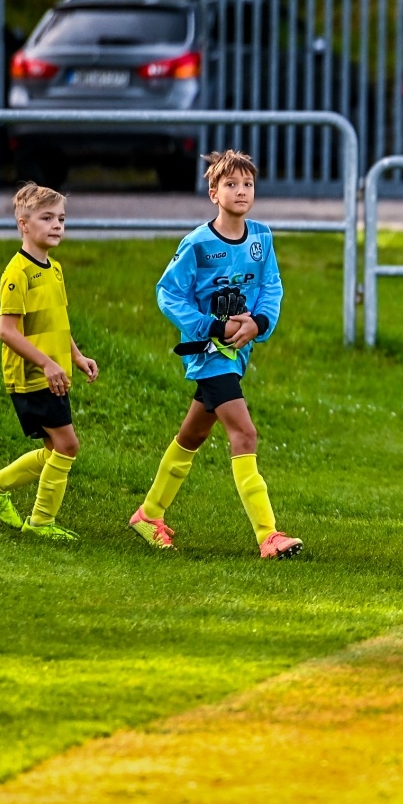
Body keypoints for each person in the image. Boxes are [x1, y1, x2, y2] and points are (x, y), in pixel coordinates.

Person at [129, 149, 301, 558]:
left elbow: (272, 287)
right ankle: (268, 536)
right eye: (231, 184)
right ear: (213, 193)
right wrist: (213, 326)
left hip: (237, 353)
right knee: (245, 433)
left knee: (193, 434)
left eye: (248, 184)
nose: (241, 191)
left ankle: (148, 515)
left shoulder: (262, 237)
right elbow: (168, 293)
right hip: (210, 353)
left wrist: (258, 323)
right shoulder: (197, 244)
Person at [0, 183, 98, 540]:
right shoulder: (17, 273)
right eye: (47, 218)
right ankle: (41, 521)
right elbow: (7, 331)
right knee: (67, 446)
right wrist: (46, 363)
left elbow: (56, 321)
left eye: (61, 218)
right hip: (31, 375)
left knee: (55, 448)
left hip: (54, 373)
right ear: (24, 224)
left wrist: (75, 355)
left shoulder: (54, 269)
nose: (57, 225)